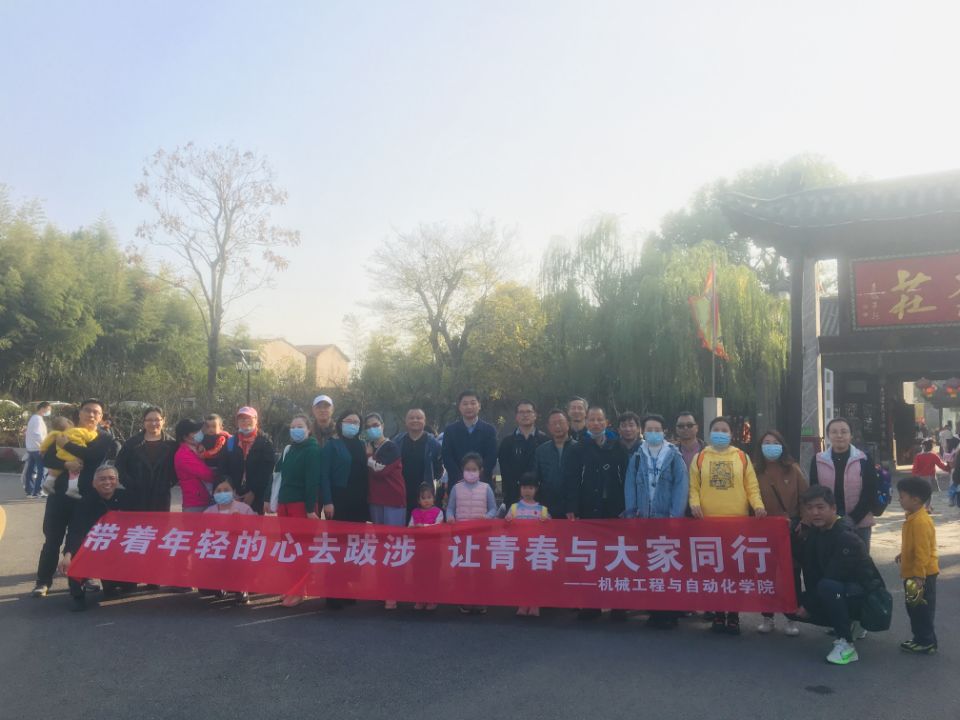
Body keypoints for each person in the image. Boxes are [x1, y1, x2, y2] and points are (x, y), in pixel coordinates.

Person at [689, 416, 766, 634]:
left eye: (724, 430)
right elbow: (694, 487)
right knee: (712, 571)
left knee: (734, 571)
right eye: (716, 429)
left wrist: (758, 506)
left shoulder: (741, 457)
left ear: (731, 434)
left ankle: (733, 614)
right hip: (708, 523)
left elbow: (751, 487)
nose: (720, 433)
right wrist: (694, 503)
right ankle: (717, 613)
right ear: (709, 433)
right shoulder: (700, 458)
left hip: (736, 524)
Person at [33, 399, 117, 598]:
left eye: (96, 412)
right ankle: (43, 581)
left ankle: (84, 577)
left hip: (86, 496)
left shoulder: (104, 438)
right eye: (87, 410)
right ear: (79, 413)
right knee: (52, 539)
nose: (91, 415)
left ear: (101, 417)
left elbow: (92, 456)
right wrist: (66, 464)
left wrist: (67, 445)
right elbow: (48, 458)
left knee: (82, 539)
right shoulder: (65, 432)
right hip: (59, 494)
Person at [794, 486, 883, 665]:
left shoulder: (845, 535)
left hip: (868, 598)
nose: (815, 513)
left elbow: (834, 575)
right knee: (793, 607)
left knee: (828, 587)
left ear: (833, 508)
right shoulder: (816, 532)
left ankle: (847, 644)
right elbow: (809, 568)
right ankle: (853, 624)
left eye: (820, 507)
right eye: (810, 508)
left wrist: (809, 605)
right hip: (843, 590)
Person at [623, 413, 688, 628]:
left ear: (664, 431)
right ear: (643, 432)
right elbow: (630, 486)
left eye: (657, 430)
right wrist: (631, 514)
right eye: (649, 430)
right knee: (649, 566)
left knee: (668, 566)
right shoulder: (637, 457)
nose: (653, 433)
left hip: (666, 520)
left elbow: (681, 487)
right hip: (644, 520)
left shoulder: (674, 456)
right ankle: (654, 610)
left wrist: (675, 516)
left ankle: (670, 612)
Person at [564, 406, 627, 621]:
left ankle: (618, 605)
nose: (596, 423)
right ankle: (592, 604)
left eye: (600, 419)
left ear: (606, 422)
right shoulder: (577, 448)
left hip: (614, 510)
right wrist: (572, 507)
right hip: (588, 509)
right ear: (586, 422)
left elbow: (626, 478)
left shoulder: (617, 446)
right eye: (592, 419)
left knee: (616, 557)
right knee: (591, 557)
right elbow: (571, 480)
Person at [753, 429, 808, 636]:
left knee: (791, 575)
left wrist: (804, 521)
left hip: (789, 529)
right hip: (763, 530)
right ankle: (767, 617)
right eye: (766, 443)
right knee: (765, 574)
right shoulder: (754, 470)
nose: (771, 446)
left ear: (782, 446)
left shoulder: (792, 469)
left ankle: (791, 617)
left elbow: (805, 497)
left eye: (774, 443)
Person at [57, 462, 129, 611]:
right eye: (102, 479)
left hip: (116, 544)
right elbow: (76, 530)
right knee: (74, 557)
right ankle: (78, 595)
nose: (107, 482)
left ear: (117, 481)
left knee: (129, 583)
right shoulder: (84, 502)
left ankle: (110, 585)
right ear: (94, 483)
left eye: (111, 478)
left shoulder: (125, 498)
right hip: (93, 545)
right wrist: (68, 554)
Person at [809, 417, 879, 551]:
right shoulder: (818, 460)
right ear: (828, 435)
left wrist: (852, 519)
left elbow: (869, 492)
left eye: (844, 431)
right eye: (834, 432)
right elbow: (814, 491)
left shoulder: (864, 459)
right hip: (827, 523)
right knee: (829, 559)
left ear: (851, 435)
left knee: (859, 560)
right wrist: (829, 518)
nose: (839, 435)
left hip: (859, 523)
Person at [364, 412, 405, 610]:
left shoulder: (391, 447)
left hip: (393, 500)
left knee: (393, 546)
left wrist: (369, 457)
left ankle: (393, 592)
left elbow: (381, 470)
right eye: (368, 426)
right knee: (381, 547)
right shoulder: (370, 447)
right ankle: (382, 587)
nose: (372, 428)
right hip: (376, 501)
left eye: (375, 424)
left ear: (382, 425)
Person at [446, 452, 496, 615]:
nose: (470, 472)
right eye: (467, 469)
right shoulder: (456, 488)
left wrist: (487, 517)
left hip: (481, 535)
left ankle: (481, 598)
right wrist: (450, 517)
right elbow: (450, 508)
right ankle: (464, 598)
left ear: (480, 470)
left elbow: (493, 509)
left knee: (481, 567)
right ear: (462, 470)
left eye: (474, 469)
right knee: (463, 568)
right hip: (461, 536)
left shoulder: (486, 488)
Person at [895, 477, 939, 654]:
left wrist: (919, 576)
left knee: (921, 609)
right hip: (914, 573)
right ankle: (921, 638)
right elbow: (914, 545)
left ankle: (926, 641)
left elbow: (923, 552)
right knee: (914, 608)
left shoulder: (920, 522)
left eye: (902, 496)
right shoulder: (913, 517)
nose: (899, 499)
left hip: (921, 575)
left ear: (915, 500)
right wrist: (903, 554)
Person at [115, 406, 178, 512]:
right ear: (143, 421)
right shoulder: (132, 443)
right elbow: (119, 466)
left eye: (157, 420)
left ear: (163, 420)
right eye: (149, 420)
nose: (153, 423)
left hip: (161, 497)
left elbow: (178, 469)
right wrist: (130, 484)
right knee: (136, 522)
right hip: (135, 496)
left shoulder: (172, 445)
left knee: (159, 522)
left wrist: (168, 483)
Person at [505, 472, 550, 617]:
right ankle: (522, 603)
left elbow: (550, 529)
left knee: (536, 578)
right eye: (524, 487)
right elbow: (506, 527)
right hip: (519, 549)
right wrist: (507, 521)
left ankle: (535, 604)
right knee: (520, 577)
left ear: (536, 489)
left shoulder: (542, 510)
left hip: (536, 550)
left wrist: (547, 522)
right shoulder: (513, 508)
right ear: (520, 489)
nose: (527, 491)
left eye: (530, 488)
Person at [218, 407, 275, 515]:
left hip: (256, 496)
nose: (244, 421)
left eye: (248, 418)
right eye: (241, 418)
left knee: (254, 524)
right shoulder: (230, 442)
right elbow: (223, 467)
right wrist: (230, 490)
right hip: (233, 495)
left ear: (256, 420)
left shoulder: (265, 442)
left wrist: (253, 492)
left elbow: (267, 471)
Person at [274, 413, 330, 519]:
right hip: (283, 503)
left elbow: (312, 482)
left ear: (308, 430)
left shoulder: (312, 450)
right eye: (292, 427)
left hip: (301, 505)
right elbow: (277, 474)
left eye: (300, 427)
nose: (295, 430)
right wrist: (269, 498)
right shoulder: (288, 450)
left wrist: (310, 509)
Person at [497, 400, 549, 508]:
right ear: (516, 416)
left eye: (529, 412)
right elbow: (505, 472)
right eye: (521, 412)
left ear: (535, 415)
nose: (525, 415)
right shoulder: (507, 442)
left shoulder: (545, 440)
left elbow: (546, 471)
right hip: (514, 497)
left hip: (540, 498)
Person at [441, 390, 498, 488]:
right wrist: (462, 477)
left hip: (483, 484)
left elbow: (491, 457)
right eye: (465, 404)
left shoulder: (489, 430)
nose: (469, 407)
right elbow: (447, 457)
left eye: (473, 403)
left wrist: (477, 476)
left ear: (479, 406)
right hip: (457, 483)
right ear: (459, 407)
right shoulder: (450, 430)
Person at [393, 408, 443, 518]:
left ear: (424, 421)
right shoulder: (397, 441)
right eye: (411, 418)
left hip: (424, 494)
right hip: (401, 492)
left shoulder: (433, 444)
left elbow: (439, 470)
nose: (415, 420)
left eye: (419, 418)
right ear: (406, 421)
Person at [326, 410, 369, 523]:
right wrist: (327, 501)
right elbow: (324, 475)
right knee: (338, 531)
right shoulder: (332, 444)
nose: (352, 424)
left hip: (360, 499)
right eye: (349, 421)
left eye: (356, 422)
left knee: (358, 532)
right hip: (339, 498)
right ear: (341, 423)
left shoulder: (363, 445)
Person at [533, 409, 577, 519]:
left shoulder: (579, 449)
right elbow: (536, 479)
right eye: (553, 423)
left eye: (561, 422)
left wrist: (573, 506)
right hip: (547, 508)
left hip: (573, 508)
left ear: (568, 424)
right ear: (548, 427)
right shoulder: (541, 451)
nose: (557, 426)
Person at [39, 416, 94, 499]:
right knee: (74, 472)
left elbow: (47, 441)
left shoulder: (56, 434)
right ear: (69, 423)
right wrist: (94, 432)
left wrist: (42, 449)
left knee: (56, 470)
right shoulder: (77, 431)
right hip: (74, 456)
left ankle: (48, 483)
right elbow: (89, 436)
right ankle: (72, 489)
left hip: (61, 455)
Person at [408, 483, 443, 610]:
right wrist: (414, 527)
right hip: (418, 550)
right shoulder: (414, 512)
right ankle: (420, 599)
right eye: (423, 498)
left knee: (432, 575)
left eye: (429, 497)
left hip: (434, 550)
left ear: (434, 498)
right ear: (419, 500)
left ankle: (432, 599)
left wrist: (423, 527)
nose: (426, 500)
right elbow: (409, 527)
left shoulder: (439, 512)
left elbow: (438, 527)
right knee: (418, 575)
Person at [174, 418, 216, 513]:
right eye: (194, 432)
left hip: (206, 500)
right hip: (195, 504)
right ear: (185, 437)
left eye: (198, 430)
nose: (199, 433)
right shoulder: (183, 455)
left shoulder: (198, 448)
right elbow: (207, 474)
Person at [23, 401, 50, 498]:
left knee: (30, 470)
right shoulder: (37, 419)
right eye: (48, 409)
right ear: (43, 408)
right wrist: (45, 445)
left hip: (32, 448)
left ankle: (29, 490)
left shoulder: (33, 418)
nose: (49, 411)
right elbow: (37, 434)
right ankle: (37, 491)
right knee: (42, 470)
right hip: (38, 448)